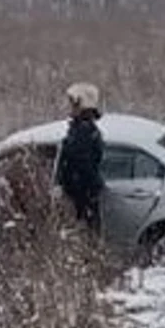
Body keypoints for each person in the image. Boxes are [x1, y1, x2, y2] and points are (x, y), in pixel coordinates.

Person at [54, 82, 105, 231]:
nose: (70, 107)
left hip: (82, 198)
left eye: (72, 103)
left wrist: (69, 190)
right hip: (84, 197)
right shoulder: (85, 130)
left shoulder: (82, 133)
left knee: (86, 234)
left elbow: (82, 166)